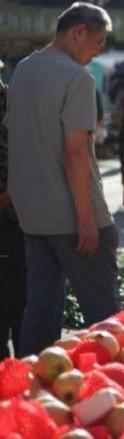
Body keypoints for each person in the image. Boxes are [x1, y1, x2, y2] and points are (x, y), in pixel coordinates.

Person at [6, 2, 120, 355]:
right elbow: (74, 153)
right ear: (79, 32)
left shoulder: (22, 71)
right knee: (104, 317)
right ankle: (115, 390)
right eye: (98, 41)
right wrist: (86, 220)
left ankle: (28, 391)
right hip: (75, 216)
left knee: (39, 312)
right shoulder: (76, 77)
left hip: (32, 217)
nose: (97, 51)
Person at [0, 76, 25, 359]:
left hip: (13, 218)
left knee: (17, 300)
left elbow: (29, 166)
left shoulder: (14, 106)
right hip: (16, 215)